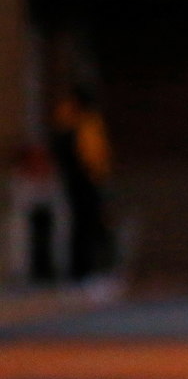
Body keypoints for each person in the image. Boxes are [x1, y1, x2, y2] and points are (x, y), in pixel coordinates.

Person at [50, 86, 113, 282]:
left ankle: (87, 266)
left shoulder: (81, 120)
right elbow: (88, 153)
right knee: (83, 222)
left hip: (86, 178)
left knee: (88, 222)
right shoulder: (74, 122)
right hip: (82, 178)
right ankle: (81, 268)